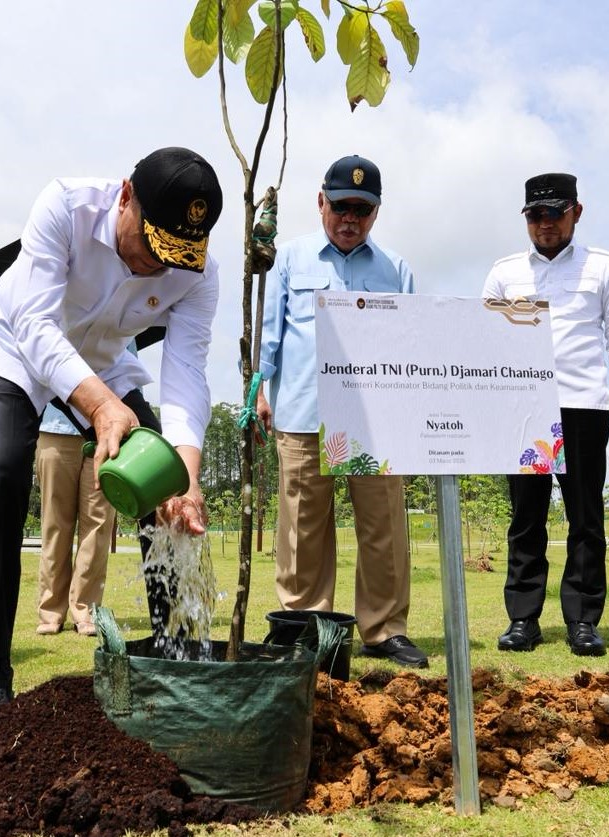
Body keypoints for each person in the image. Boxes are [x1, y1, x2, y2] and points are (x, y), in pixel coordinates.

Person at [0, 147, 223, 722]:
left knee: (165, 491)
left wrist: (188, 470)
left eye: (174, 255)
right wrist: (98, 405)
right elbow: (33, 323)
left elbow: (185, 374)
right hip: (16, 351)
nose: (158, 265)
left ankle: (182, 656)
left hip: (103, 363)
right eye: (151, 244)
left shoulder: (198, 273)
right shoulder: (65, 206)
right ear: (126, 196)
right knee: (2, 468)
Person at [256, 154, 428, 669]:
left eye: (362, 209)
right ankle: (306, 625)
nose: (350, 218)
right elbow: (270, 333)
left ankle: (383, 630)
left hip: (376, 422)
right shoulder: (289, 259)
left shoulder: (396, 269)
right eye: (340, 207)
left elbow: (413, 343)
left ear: (376, 212)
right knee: (303, 527)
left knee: (384, 529)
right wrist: (259, 390)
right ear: (320, 202)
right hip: (305, 415)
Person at [482, 173, 609, 658]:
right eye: (536, 214)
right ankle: (523, 620)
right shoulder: (505, 273)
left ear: (577, 211)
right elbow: (483, 344)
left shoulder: (603, 268)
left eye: (556, 212)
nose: (546, 223)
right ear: (525, 218)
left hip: (583, 407)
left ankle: (583, 621)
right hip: (524, 409)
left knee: (586, 518)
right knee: (526, 520)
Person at [34, 402, 118, 637]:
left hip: (106, 432)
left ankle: (87, 611)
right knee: (54, 523)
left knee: (99, 524)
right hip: (55, 428)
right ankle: (51, 611)